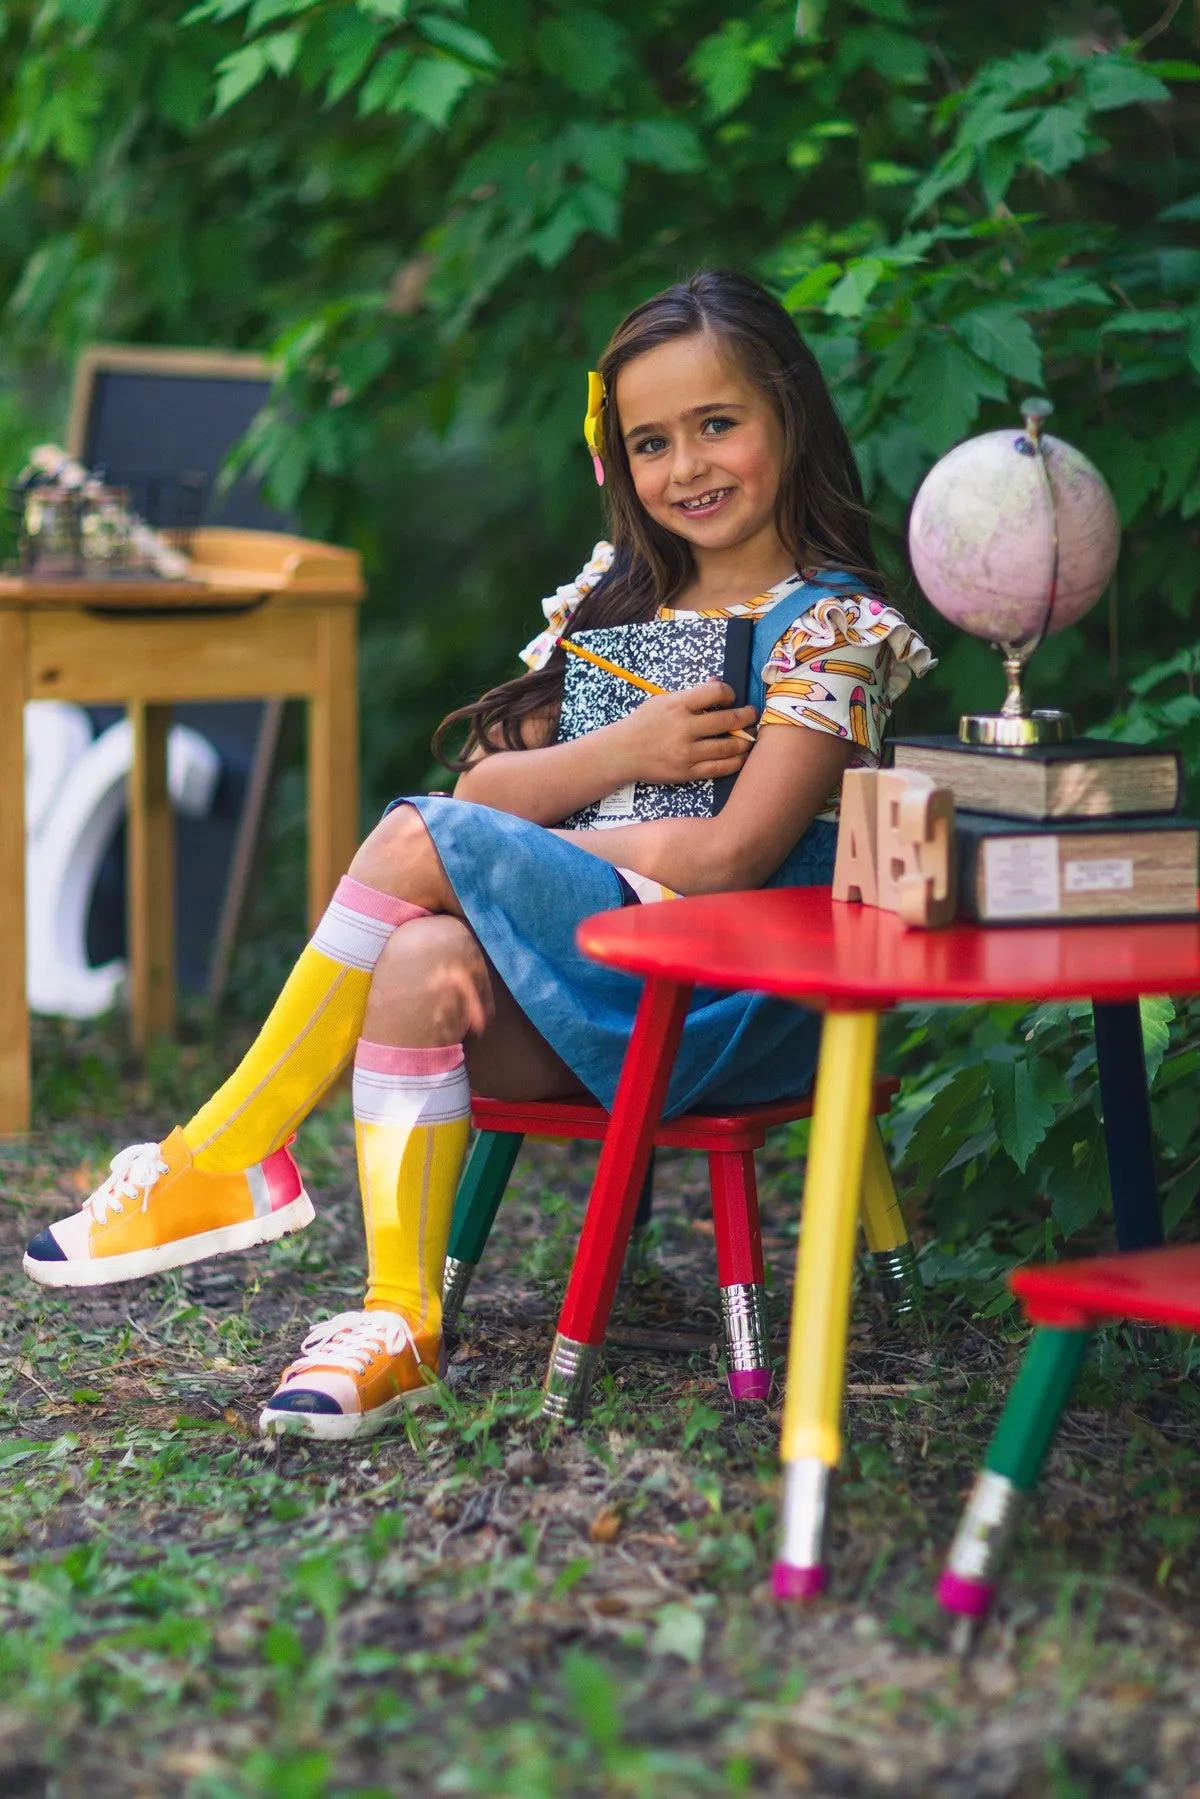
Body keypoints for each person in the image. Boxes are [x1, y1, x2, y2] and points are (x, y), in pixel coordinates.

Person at [23, 269, 933, 1440]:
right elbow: (484, 793)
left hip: (727, 1005)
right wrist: (630, 750)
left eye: (719, 424)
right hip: (602, 992)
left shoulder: (830, 624)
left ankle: (229, 1148)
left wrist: (551, 835)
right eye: (652, 441)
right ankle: (400, 1318)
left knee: (418, 840)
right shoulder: (612, 607)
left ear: (789, 419)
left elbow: (730, 857)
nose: (688, 466)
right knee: (420, 956)